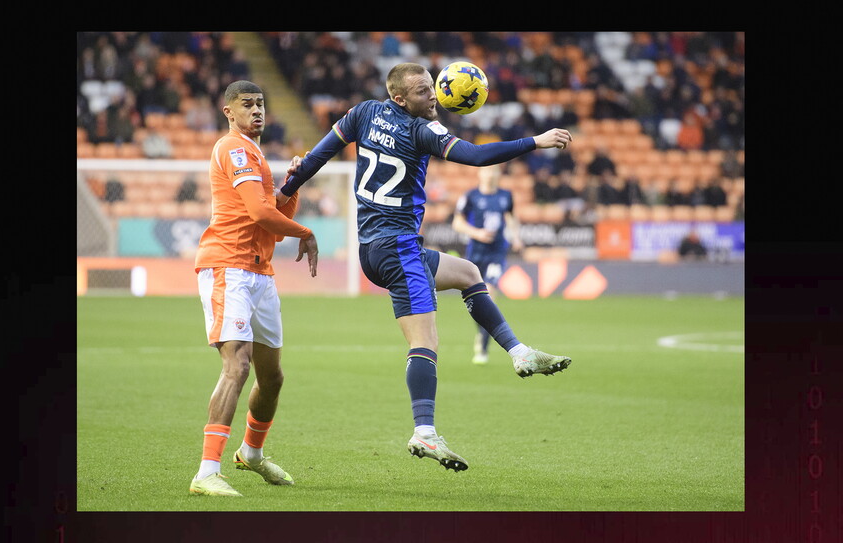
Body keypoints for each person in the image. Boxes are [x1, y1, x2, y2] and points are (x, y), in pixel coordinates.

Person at [276, 62, 573, 472]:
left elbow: (316, 157)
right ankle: (425, 432)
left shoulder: (362, 113)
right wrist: (534, 142)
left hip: (374, 249)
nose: (433, 96)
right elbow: (475, 156)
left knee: (468, 273)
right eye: (421, 91)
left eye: (432, 87)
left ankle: (519, 353)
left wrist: (283, 193)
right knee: (425, 344)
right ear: (400, 98)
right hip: (400, 250)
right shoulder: (422, 130)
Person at [189, 80, 319, 497]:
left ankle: (251, 453)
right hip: (229, 267)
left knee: (273, 377)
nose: (257, 111)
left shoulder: (256, 152)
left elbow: (272, 216)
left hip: (260, 273)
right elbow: (260, 212)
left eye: (261, 104)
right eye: (247, 105)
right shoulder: (235, 148)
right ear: (229, 111)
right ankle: (207, 472)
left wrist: (292, 185)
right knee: (237, 366)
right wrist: (306, 231)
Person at [451, 164, 525, 364]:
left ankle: (483, 344)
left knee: (490, 293)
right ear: (480, 173)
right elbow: (457, 223)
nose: (490, 175)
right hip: (475, 254)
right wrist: (477, 234)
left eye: (494, 171)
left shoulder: (505, 196)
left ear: (499, 174)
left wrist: (516, 237)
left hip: (496, 253)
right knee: (477, 298)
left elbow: (511, 217)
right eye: (487, 171)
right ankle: (481, 333)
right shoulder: (471, 196)